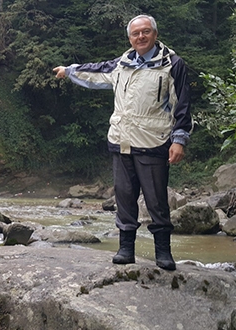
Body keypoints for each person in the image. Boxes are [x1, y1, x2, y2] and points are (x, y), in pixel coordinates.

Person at [52, 14, 192, 271]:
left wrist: (179, 140)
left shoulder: (173, 64)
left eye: (146, 32)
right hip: (121, 141)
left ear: (155, 34)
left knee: (157, 201)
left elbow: (182, 105)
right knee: (125, 198)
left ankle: (163, 252)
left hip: (154, 142)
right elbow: (95, 71)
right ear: (130, 38)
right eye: (136, 33)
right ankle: (126, 249)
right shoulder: (122, 63)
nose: (141, 36)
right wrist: (69, 70)